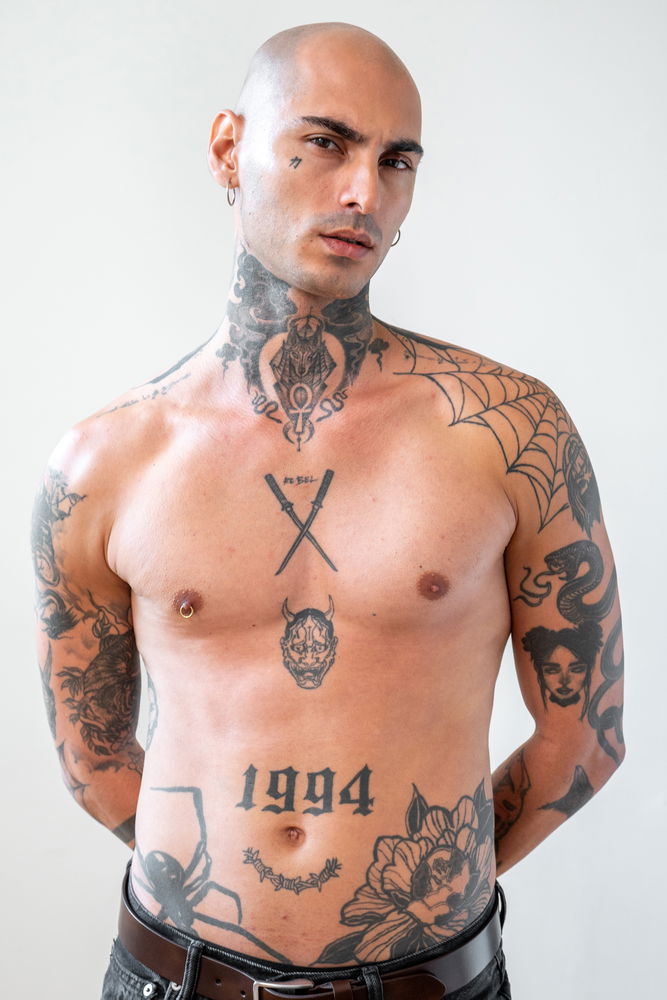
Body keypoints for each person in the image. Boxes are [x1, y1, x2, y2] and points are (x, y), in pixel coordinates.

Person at [32, 21, 625, 1000]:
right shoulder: (106, 463)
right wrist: (219, 891)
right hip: (173, 979)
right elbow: (92, 755)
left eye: (396, 162)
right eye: (324, 143)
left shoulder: (504, 431)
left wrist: (427, 888)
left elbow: (585, 737)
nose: (364, 193)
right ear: (229, 148)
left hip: (431, 984)